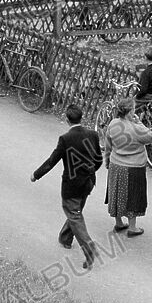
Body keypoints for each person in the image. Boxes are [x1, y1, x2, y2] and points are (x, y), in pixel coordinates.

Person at [31, 105, 103, 270]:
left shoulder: (65, 139)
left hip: (72, 185)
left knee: (74, 214)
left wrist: (36, 175)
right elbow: (98, 159)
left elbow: (52, 161)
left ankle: (89, 247)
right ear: (81, 118)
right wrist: (90, 172)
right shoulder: (93, 135)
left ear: (67, 119)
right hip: (88, 182)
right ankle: (65, 238)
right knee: (75, 211)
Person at [103, 99, 152, 236]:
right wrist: (139, 122)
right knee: (133, 196)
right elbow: (150, 137)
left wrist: (107, 161)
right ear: (130, 111)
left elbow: (108, 145)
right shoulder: (135, 128)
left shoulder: (113, 124)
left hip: (116, 164)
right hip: (134, 167)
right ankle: (132, 227)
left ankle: (119, 222)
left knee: (116, 193)